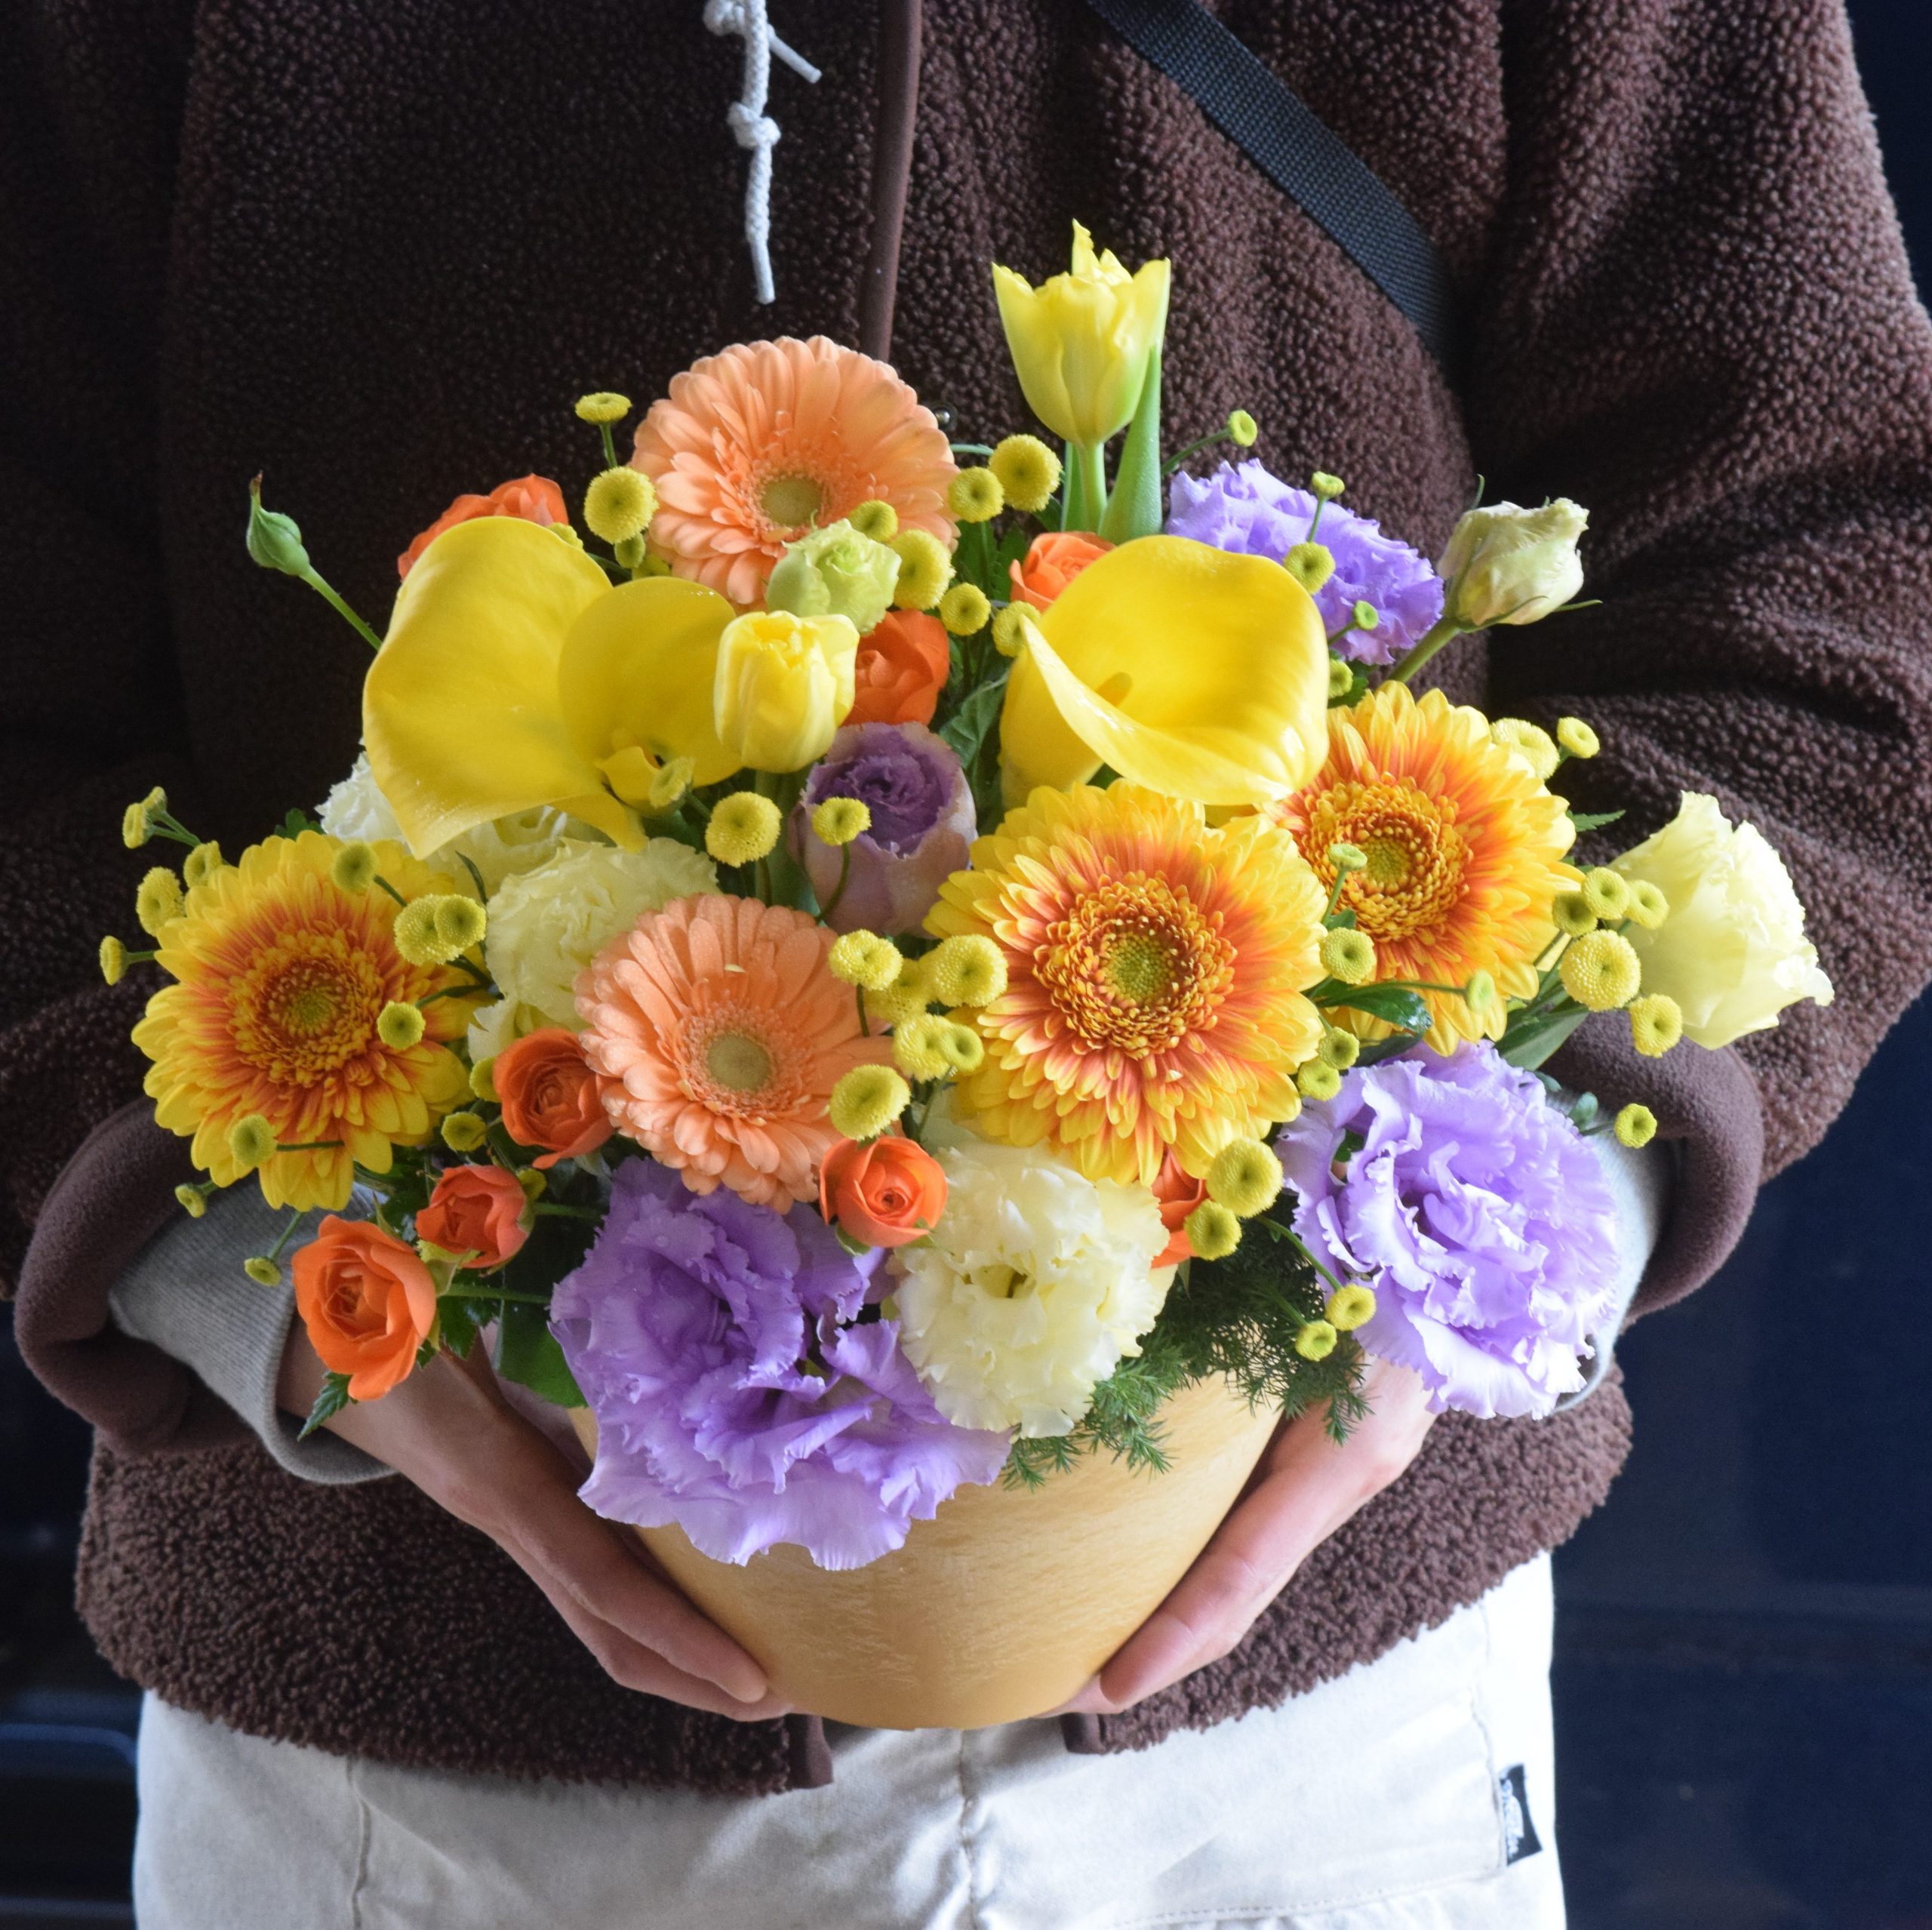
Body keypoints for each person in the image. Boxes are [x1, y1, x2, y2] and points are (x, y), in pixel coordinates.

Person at [5, 2, 1928, 1925]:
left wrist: (1489, 1224)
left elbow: (1820, 553)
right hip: (414, 1766)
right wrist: (268, 1282)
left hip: (1304, 1758)